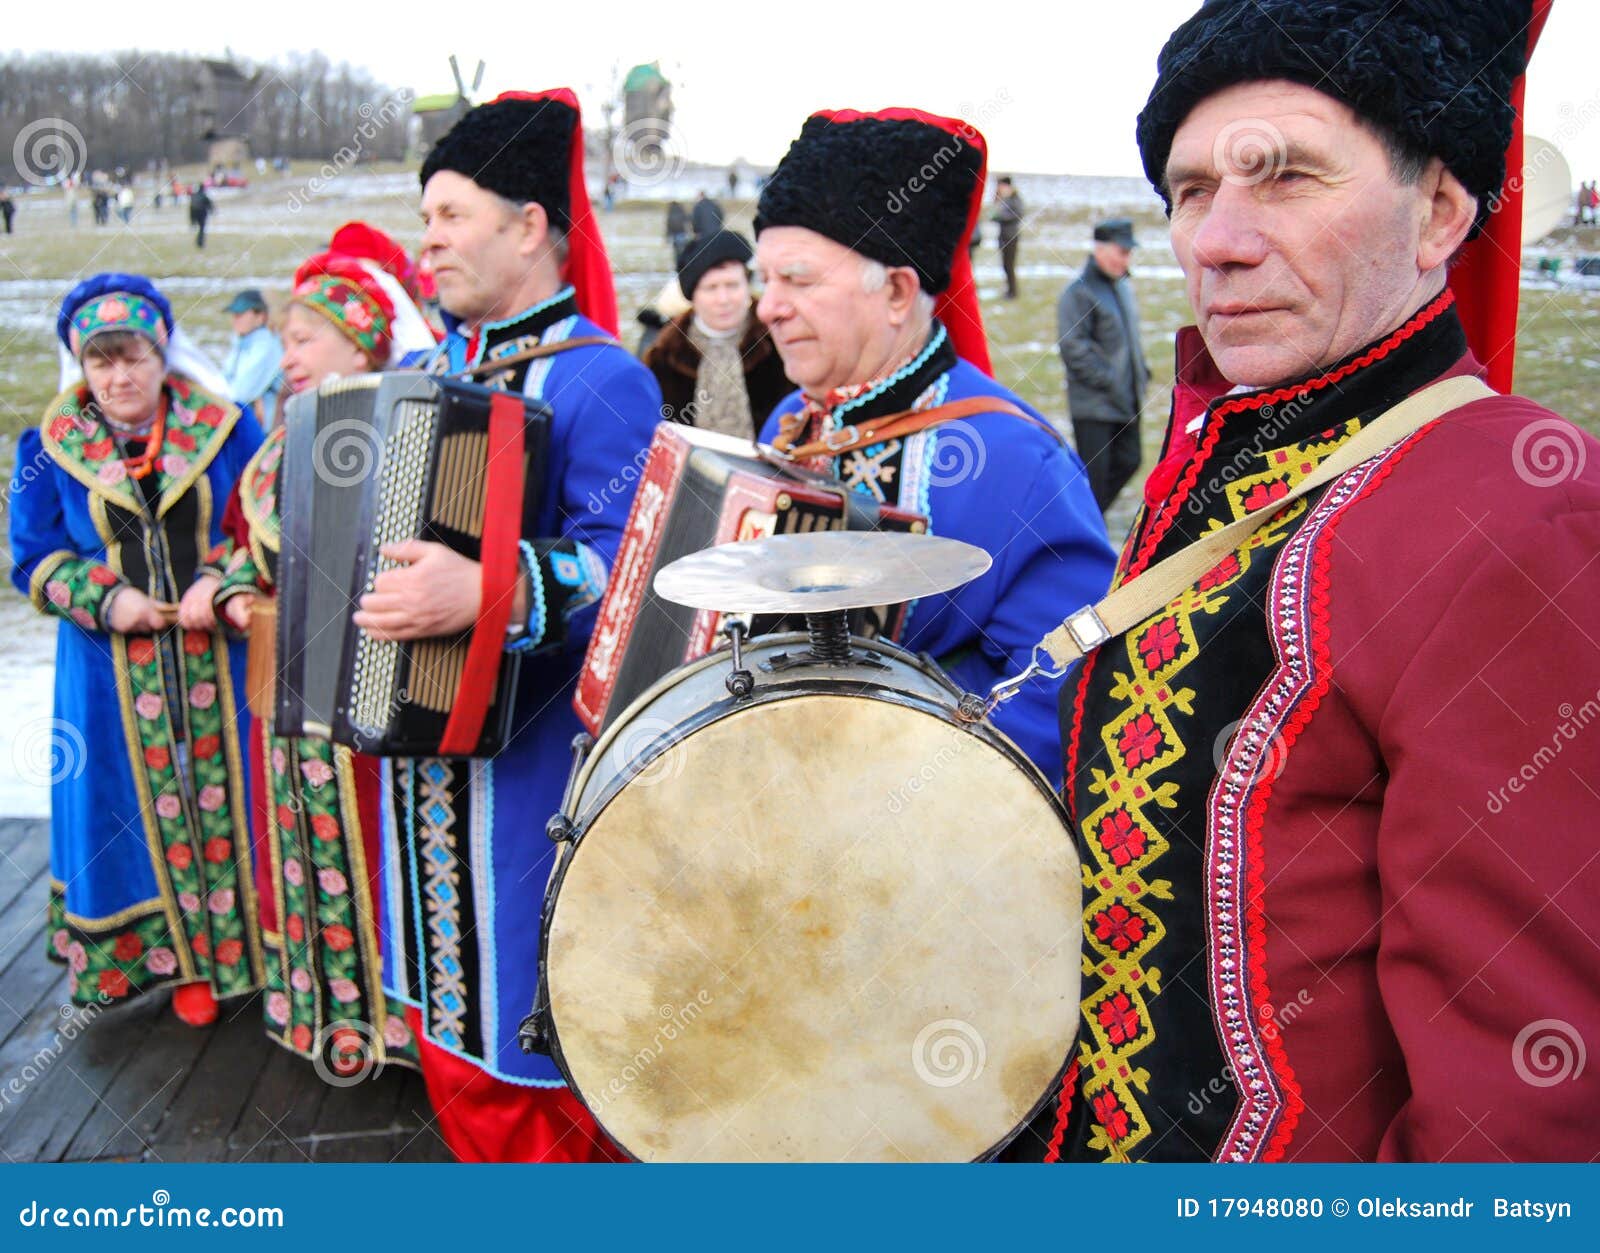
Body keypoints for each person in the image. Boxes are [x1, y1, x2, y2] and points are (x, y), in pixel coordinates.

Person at [1010, 0, 1599, 1164]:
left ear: (1437, 211)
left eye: (1285, 178)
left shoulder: (1520, 510)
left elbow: (1521, 1103)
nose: (1215, 240)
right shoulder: (1225, 460)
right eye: (1189, 190)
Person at [364, 89, 663, 1163]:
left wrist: (487, 592)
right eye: (425, 218)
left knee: (538, 1069)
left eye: (450, 214)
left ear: (529, 225)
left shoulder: (604, 379)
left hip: (532, 786)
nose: (427, 239)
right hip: (421, 788)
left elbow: (637, 569)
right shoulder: (431, 371)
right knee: (452, 1047)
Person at [754, 107, 1115, 780]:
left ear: (895, 291)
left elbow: (1059, 694)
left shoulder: (1017, 460)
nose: (766, 306)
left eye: (796, 279)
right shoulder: (785, 423)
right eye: (764, 279)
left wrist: (886, 762)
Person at [7, 273, 264, 1026]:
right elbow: (32, 554)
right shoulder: (51, 447)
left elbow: (263, 519)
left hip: (220, 655)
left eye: (134, 357)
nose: (119, 376)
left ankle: (245, 954)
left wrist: (217, 578)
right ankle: (178, 965)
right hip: (108, 670)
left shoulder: (226, 427)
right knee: (131, 811)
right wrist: (104, 596)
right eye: (101, 362)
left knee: (234, 799)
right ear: (82, 369)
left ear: (163, 354)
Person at [206, 253, 433, 1072]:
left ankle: (402, 1033)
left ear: (362, 346)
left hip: (373, 702)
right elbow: (236, 550)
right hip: (289, 705)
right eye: (286, 340)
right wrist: (236, 594)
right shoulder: (272, 451)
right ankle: (325, 1019)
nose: (289, 354)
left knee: (379, 861)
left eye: (306, 339)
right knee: (301, 854)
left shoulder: (405, 437)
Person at [644, 229, 791, 437]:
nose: (723, 299)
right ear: (693, 296)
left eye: (732, 285)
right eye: (711, 288)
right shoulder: (664, 357)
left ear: (747, 286)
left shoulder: (782, 342)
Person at [1057, 218, 1150, 512]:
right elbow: (1073, 347)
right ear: (1100, 249)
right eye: (1121, 252)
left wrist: (1140, 373)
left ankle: (1087, 518)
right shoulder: (1079, 293)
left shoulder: (1121, 287)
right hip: (1094, 406)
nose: (1126, 259)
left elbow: (1128, 340)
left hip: (1125, 399)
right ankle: (1085, 528)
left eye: (1128, 252)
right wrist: (1108, 379)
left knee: (1130, 460)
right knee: (1094, 480)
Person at [221, 289, 281, 418]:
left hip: (268, 428)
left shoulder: (266, 346)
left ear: (260, 317)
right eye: (234, 315)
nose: (235, 320)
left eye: (240, 314)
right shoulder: (241, 343)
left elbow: (241, 393)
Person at [991, 175, 1025, 298]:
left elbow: (1018, 214)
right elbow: (993, 214)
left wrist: (1001, 217)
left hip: (1012, 236)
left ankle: (1013, 291)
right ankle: (1009, 290)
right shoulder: (1002, 199)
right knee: (1005, 265)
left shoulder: (1015, 198)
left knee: (1010, 265)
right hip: (1002, 236)